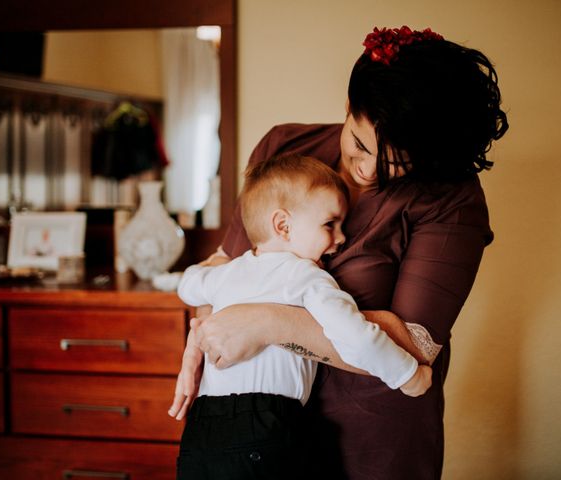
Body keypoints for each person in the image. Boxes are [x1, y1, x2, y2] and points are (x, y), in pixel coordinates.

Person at [189, 26, 509, 479]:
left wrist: (266, 323)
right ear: (347, 107)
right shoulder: (285, 147)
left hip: (374, 433)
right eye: (359, 143)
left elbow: (412, 343)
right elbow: (230, 268)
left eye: (395, 160)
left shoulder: (451, 199)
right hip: (262, 425)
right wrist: (198, 349)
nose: (367, 170)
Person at [170, 154, 432, 480]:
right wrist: (407, 375)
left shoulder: (227, 273)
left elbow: (187, 286)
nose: (341, 238)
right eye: (329, 224)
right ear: (283, 225)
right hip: (266, 427)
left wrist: (208, 265)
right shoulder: (304, 275)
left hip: (202, 428)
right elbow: (354, 335)